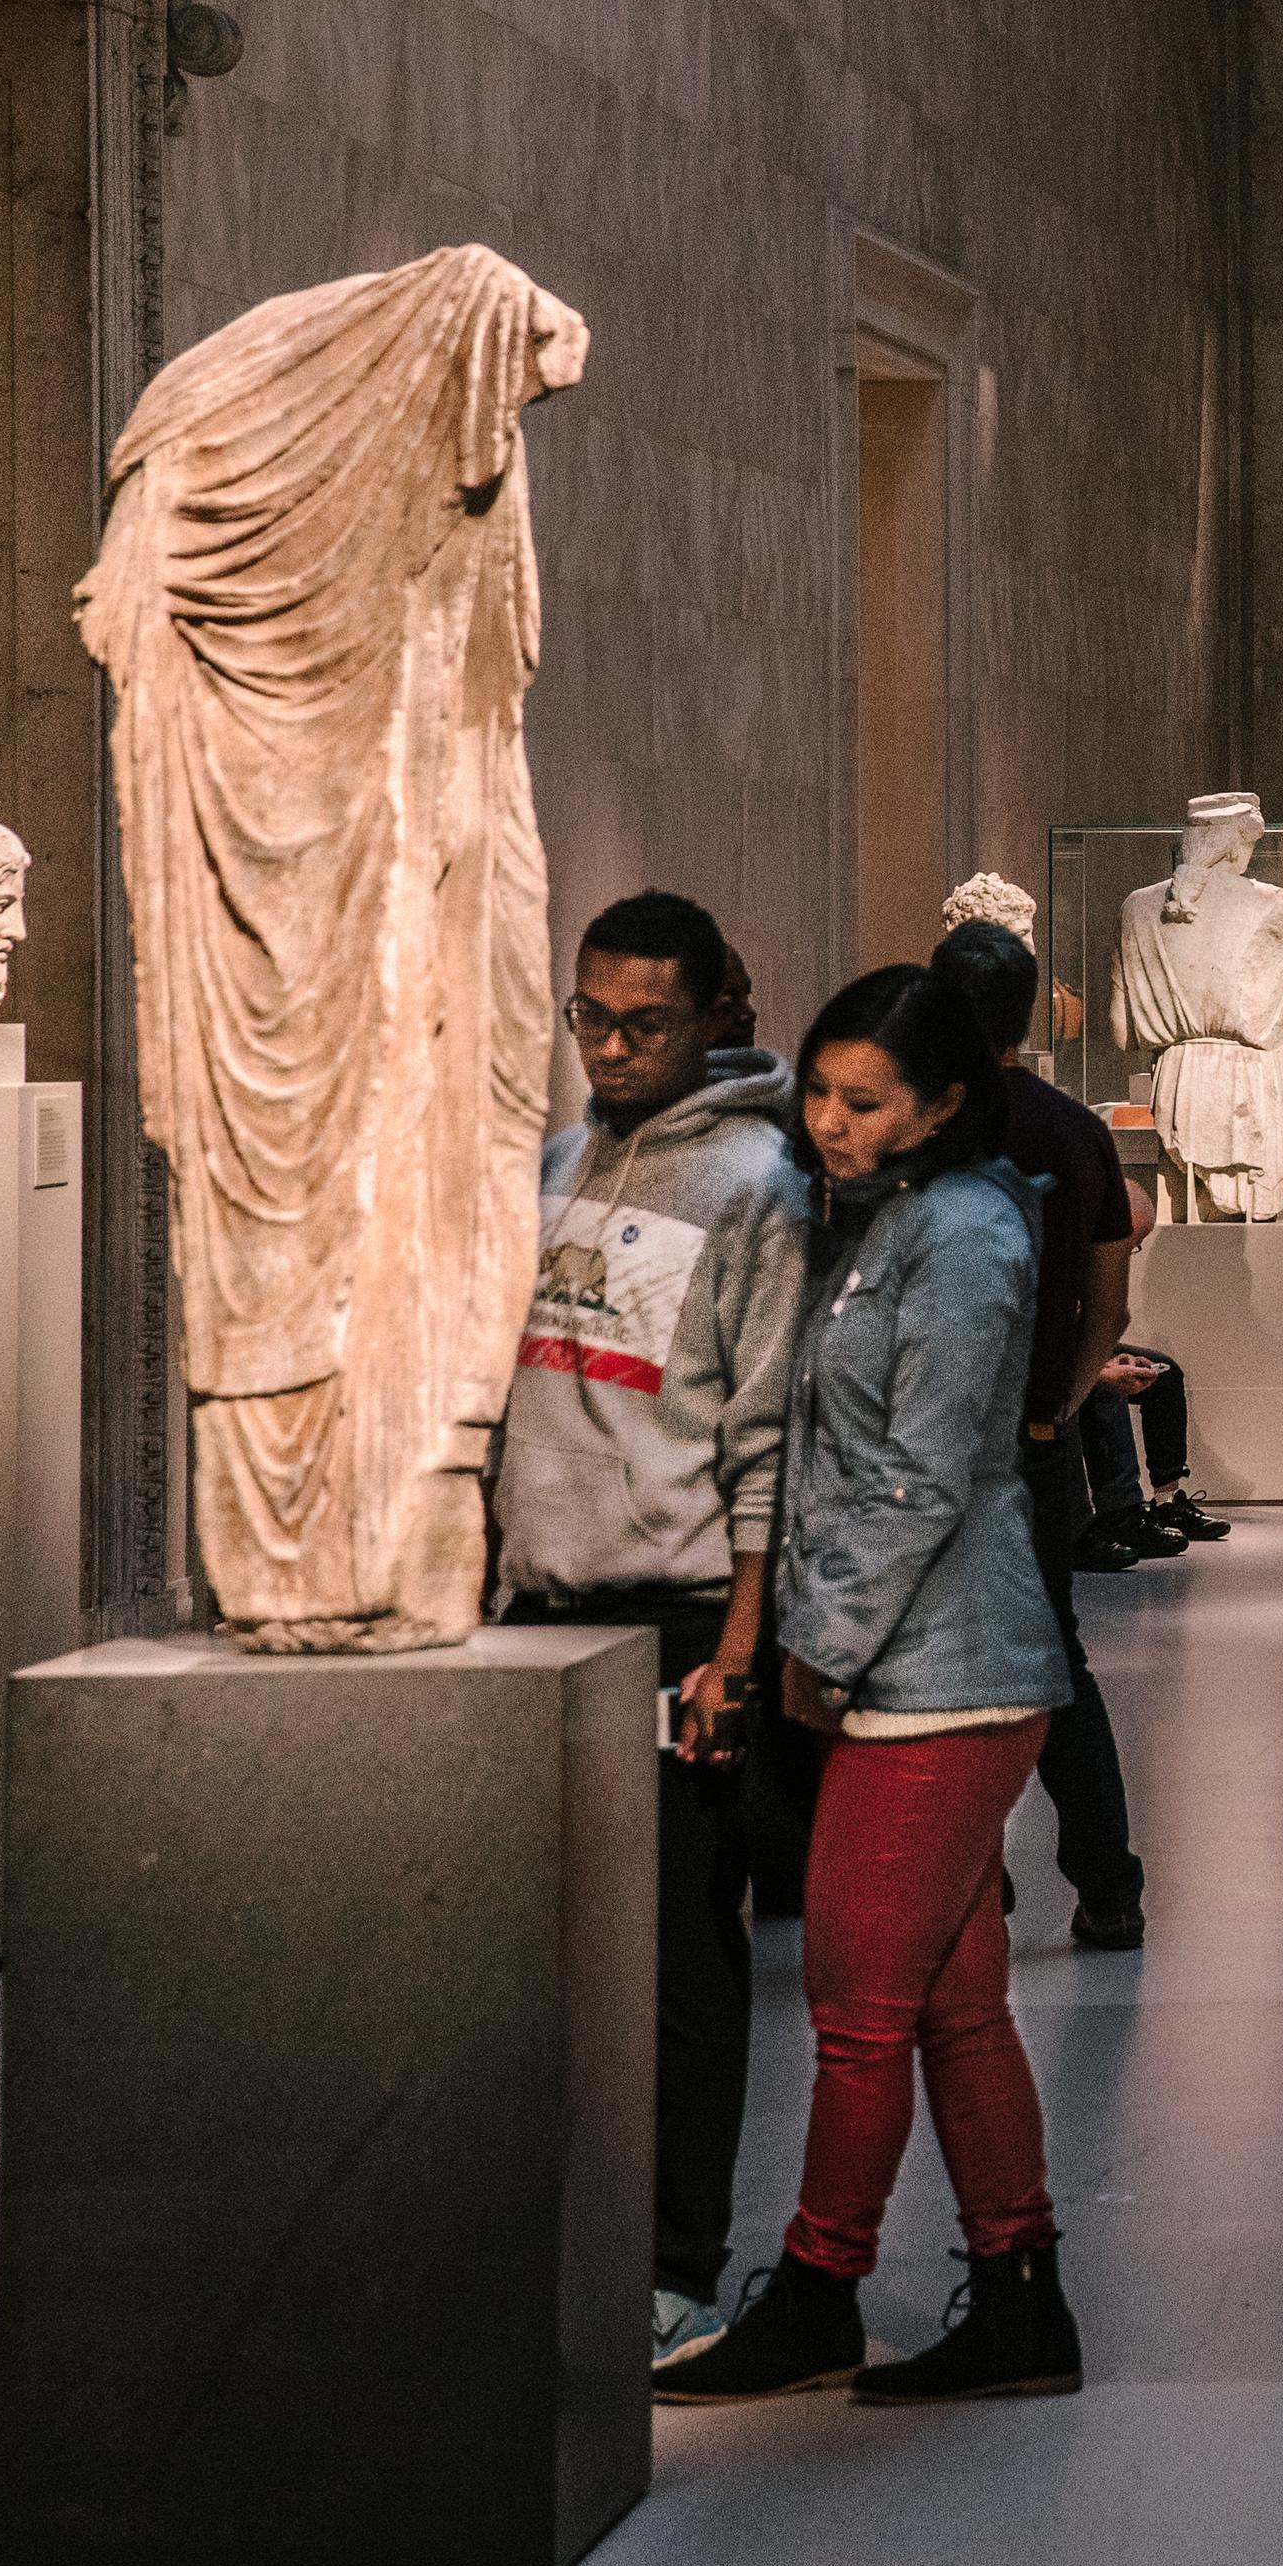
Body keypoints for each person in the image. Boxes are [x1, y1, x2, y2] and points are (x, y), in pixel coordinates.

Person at [662, 966, 1082, 2407]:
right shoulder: (890, 1214)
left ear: (945, 1104)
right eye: (822, 1095)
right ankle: (1020, 2296)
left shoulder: (961, 1232)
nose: (829, 1123)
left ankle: (820, 2291)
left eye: (864, 1101)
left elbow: (919, 1477)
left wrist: (816, 1649)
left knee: (854, 2016)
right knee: (955, 2008)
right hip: (925, 1663)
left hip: (942, 1674)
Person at [491, 889, 806, 2373]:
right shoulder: (561, 1164)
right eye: (591, 1019)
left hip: (679, 1618)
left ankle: (676, 2268)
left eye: (645, 1025)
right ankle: (563, 2245)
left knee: (679, 1961)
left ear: (714, 1015)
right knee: (548, 1959)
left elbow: (766, 1442)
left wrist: (738, 1655)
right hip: (537, 1607)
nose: (611, 1050)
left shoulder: (759, 1186)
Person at [930, 914, 1155, 1948]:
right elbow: (1108, 1307)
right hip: (1029, 1437)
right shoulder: (1074, 1130)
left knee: (937, 1673)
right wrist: (1061, 1404)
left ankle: (978, 1878)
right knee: (1053, 1662)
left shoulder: (926, 1126)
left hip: (933, 1442)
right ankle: (1107, 1885)